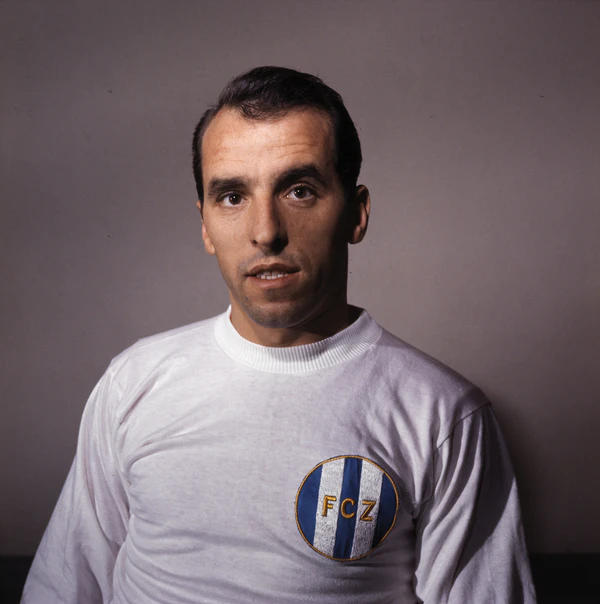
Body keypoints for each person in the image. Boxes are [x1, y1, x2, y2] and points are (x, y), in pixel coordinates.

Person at [22, 66, 536, 603]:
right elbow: (64, 586)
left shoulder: (442, 414)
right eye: (232, 197)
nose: (265, 232)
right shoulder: (133, 382)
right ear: (205, 225)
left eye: (299, 190)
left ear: (357, 213)